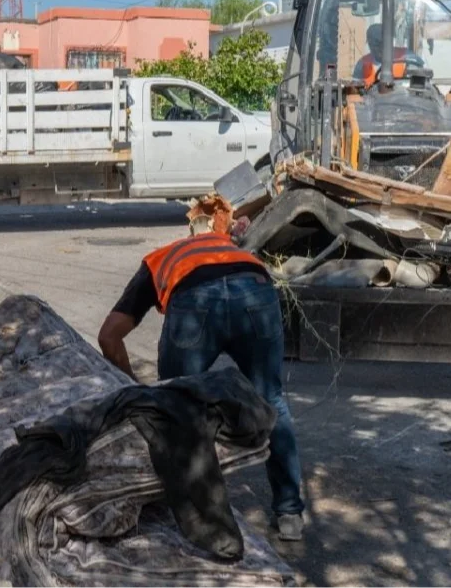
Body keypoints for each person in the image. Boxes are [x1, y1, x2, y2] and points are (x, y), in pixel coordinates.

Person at [96, 224, 306, 541]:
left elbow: (109, 335)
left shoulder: (157, 261)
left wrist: (136, 389)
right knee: (271, 399)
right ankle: (290, 514)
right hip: (257, 291)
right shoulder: (234, 249)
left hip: (196, 301)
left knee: (178, 408)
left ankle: (197, 517)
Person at [353, 23, 409, 87]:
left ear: (387, 42)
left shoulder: (404, 59)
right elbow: (355, 90)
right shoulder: (362, 64)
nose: (374, 49)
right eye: (371, 44)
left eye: (378, 44)